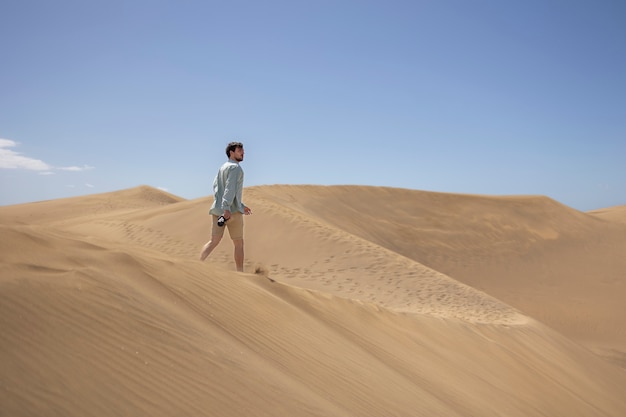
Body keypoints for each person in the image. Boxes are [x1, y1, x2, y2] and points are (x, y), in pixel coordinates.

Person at [200, 141, 252, 271]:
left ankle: (197, 265)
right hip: (231, 212)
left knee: (213, 241)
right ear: (231, 152)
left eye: (243, 150)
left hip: (218, 210)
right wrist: (227, 208)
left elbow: (217, 187)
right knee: (239, 243)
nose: (243, 152)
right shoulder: (235, 168)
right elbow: (230, 189)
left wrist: (241, 205)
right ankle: (240, 273)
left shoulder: (222, 168)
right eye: (240, 150)